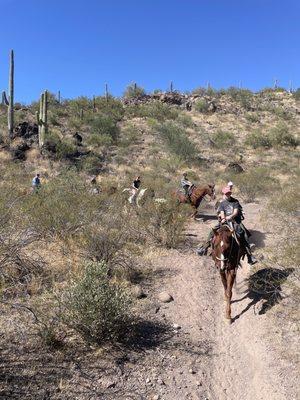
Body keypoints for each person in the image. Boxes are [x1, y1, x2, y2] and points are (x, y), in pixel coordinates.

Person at [197, 186, 257, 265]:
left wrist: (230, 217)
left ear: (230, 193)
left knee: (243, 232)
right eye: (226, 193)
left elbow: (235, 212)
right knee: (213, 232)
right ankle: (204, 247)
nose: (228, 194)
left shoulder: (235, 201)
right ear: (224, 194)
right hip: (224, 220)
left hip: (235, 220)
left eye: (229, 193)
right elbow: (221, 212)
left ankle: (249, 255)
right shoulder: (222, 203)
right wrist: (223, 218)